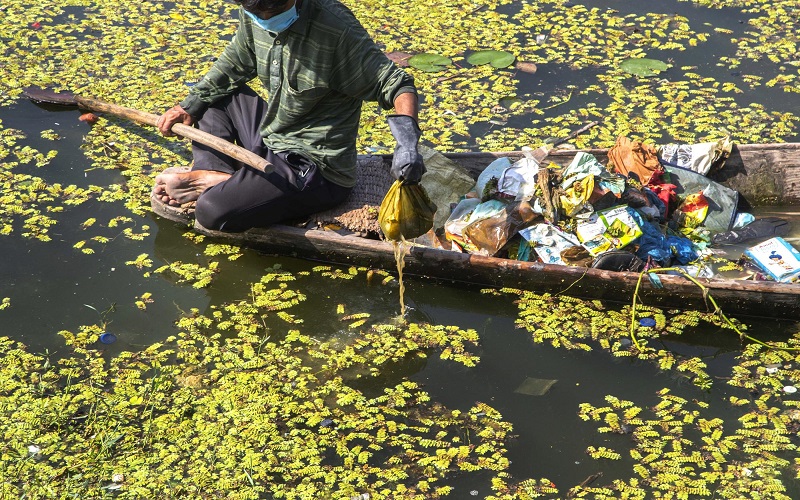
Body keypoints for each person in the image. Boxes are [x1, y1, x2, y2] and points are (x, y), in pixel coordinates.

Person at [153, 0, 425, 231]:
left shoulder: (335, 30)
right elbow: (235, 62)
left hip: (315, 167)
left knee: (211, 211)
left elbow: (396, 84)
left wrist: (407, 143)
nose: (265, 19)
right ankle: (216, 173)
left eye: (273, 11)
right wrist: (188, 106)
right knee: (214, 97)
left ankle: (210, 184)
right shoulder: (255, 11)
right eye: (257, 14)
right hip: (272, 136)